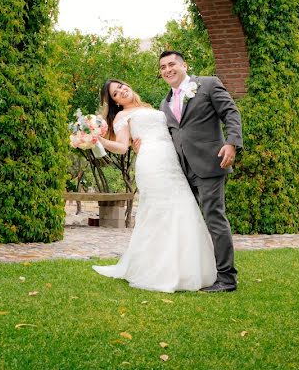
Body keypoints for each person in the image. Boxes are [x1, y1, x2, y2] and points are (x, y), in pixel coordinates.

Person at [92, 79, 217, 293]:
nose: (121, 91)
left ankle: (191, 268)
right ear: (115, 102)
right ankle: (158, 269)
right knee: (159, 211)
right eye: (115, 93)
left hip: (171, 161)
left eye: (121, 86)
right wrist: (99, 141)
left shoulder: (150, 107)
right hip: (151, 162)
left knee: (183, 206)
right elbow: (122, 147)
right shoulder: (122, 116)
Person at [145, 50, 243, 292]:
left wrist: (232, 143)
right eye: (163, 67)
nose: (167, 69)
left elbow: (231, 112)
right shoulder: (164, 103)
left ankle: (227, 278)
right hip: (181, 171)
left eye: (172, 64)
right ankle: (194, 272)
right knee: (189, 222)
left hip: (210, 164)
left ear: (184, 65)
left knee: (214, 219)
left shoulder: (208, 85)